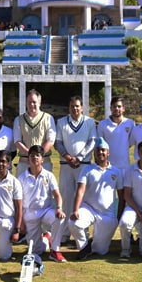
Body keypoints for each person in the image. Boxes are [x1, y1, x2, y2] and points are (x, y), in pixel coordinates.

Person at [69, 138, 124, 260]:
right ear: (94, 153)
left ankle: (93, 245)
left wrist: (118, 216)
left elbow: (121, 196)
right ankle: (84, 247)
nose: (100, 153)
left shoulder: (116, 172)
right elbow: (80, 190)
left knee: (101, 251)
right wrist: (76, 210)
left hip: (107, 214)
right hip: (88, 208)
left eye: (103, 150)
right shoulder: (87, 169)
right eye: (98, 150)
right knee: (73, 222)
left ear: (108, 153)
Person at [18, 145, 67, 265]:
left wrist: (59, 208)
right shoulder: (21, 178)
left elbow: (57, 195)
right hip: (29, 213)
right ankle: (46, 239)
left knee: (59, 218)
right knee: (37, 251)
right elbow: (18, 202)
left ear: (42, 159)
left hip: (46, 211)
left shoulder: (49, 175)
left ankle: (55, 250)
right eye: (32, 155)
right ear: (28, 159)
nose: (35, 157)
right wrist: (21, 222)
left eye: (37, 155)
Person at [54, 96, 96, 231]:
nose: (75, 108)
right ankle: (65, 232)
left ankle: (82, 230)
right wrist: (67, 157)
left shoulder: (90, 122)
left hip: (84, 165)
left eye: (77, 106)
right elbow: (58, 142)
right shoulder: (61, 122)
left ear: (82, 107)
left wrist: (80, 157)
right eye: (72, 106)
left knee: (83, 197)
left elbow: (92, 141)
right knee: (65, 197)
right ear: (69, 107)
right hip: (66, 165)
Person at [13, 89, 56, 175]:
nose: (31, 104)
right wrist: (30, 155)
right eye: (29, 102)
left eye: (34, 102)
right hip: (24, 163)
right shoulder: (18, 119)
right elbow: (17, 141)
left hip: (44, 162)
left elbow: (50, 140)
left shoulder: (48, 118)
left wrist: (38, 156)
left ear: (39, 103)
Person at [97, 96, 135, 170]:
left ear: (123, 108)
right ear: (110, 108)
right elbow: (99, 145)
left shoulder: (130, 123)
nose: (116, 108)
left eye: (119, 106)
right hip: (108, 167)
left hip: (125, 167)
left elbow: (131, 142)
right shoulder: (102, 124)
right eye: (114, 106)